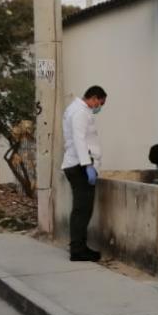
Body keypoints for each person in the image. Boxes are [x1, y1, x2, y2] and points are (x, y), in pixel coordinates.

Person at [61, 85, 106, 262]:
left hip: (77, 164)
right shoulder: (80, 112)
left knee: (82, 209)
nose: (99, 107)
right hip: (79, 165)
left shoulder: (76, 109)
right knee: (82, 210)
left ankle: (79, 246)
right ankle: (78, 250)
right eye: (100, 103)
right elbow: (79, 139)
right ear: (94, 98)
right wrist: (87, 165)